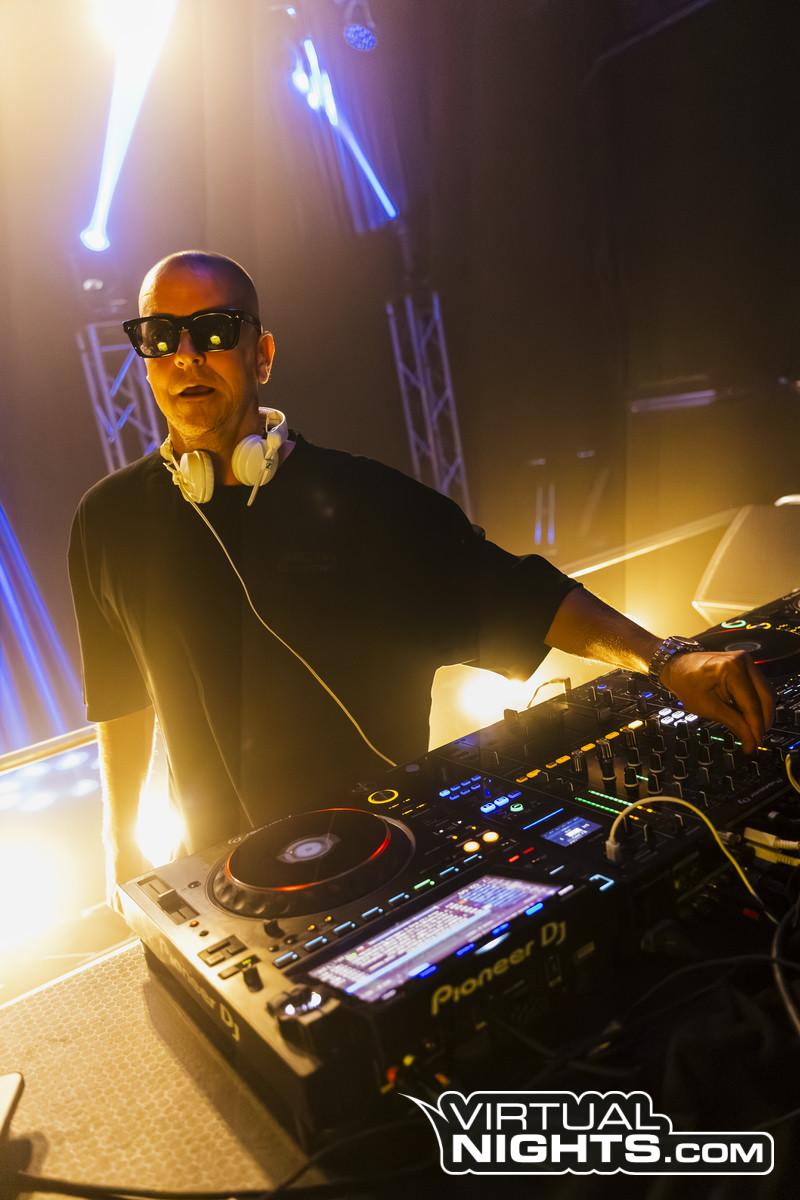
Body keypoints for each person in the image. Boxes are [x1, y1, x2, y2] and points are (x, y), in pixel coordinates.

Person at [68, 250, 775, 906]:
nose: (185, 356)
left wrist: (667, 658)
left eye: (213, 330)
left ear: (263, 355)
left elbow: (522, 594)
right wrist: (119, 858)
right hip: (220, 889)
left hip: (383, 864)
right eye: (160, 336)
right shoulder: (109, 520)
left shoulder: (368, 501)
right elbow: (120, 697)